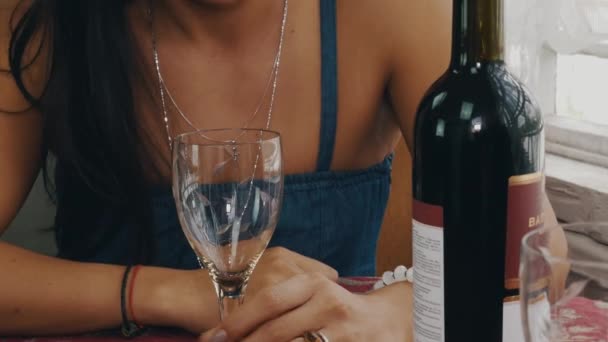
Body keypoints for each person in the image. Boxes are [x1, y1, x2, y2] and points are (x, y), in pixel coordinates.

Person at [0, 0, 565, 341]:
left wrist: (401, 312)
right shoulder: (43, 19)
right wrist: (175, 294)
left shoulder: (392, 13)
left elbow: (541, 249)